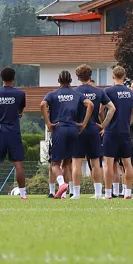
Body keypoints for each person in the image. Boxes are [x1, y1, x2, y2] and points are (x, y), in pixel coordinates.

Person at [41, 70, 92, 199]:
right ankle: (64, 193)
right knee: (68, 163)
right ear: (71, 81)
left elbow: (43, 104)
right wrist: (84, 123)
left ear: (58, 80)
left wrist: (48, 123)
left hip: (59, 128)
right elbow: (90, 104)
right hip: (74, 128)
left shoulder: (52, 94)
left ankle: (62, 184)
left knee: (55, 163)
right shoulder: (77, 94)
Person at [0, 66, 27, 200]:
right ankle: (23, 195)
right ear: (14, 78)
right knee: (18, 163)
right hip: (14, 131)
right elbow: (20, 111)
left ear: (1, 78)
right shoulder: (20, 94)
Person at [100, 66, 133, 199]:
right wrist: (128, 123)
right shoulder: (131, 93)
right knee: (127, 164)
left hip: (111, 131)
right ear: (124, 76)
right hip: (125, 131)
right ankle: (127, 192)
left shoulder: (107, 91)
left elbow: (100, 110)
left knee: (109, 164)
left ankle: (109, 193)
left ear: (112, 76)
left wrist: (103, 124)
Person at [73, 65, 107, 198]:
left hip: (78, 129)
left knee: (76, 162)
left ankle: (76, 194)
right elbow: (112, 108)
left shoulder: (74, 92)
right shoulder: (99, 92)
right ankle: (98, 193)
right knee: (95, 162)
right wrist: (103, 125)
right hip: (93, 129)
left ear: (78, 77)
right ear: (90, 76)